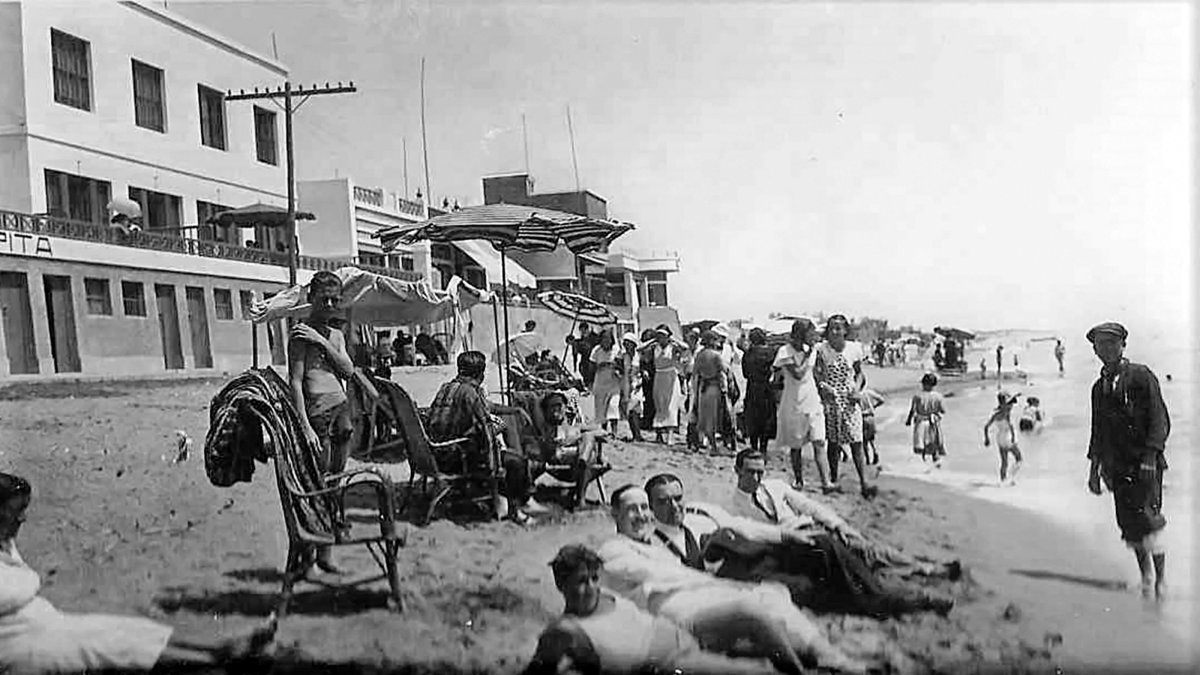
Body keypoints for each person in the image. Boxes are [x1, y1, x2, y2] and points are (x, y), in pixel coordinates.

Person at [0, 473, 277, 674]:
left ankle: (216, 653)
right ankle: (215, 661)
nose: (23, 519)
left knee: (127, 631)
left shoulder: (5, 543)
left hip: (42, 623)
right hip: (20, 642)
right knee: (106, 647)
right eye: (16, 512)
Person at [597, 486, 867, 674]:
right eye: (632, 509)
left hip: (691, 602)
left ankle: (823, 653)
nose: (642, 515)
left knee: (772, 593)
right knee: (749, 608)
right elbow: (654, 574)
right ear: (615, 515)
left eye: (644, 508)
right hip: (666, 619)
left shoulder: (654, 543)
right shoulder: (613, 547)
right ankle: (797, 667)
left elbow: (740, 527)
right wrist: (720, 584)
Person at [523, 545, 779, 675]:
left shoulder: (607, 595)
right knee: (757, 671)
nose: (591, 587)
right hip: (673, 664)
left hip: (687, 635)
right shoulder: (565, 630)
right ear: (560, 584)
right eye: (581, 581)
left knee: (755, 620)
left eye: (593, 578)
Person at [722, 451, 960, 583]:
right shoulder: (734, 506)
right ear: (738, 471)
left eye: (759, 472)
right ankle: (922, 570)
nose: (756, 478)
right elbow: (757, 538)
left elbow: (810, 506)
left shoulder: (775, 486)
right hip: (794, 546)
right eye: (750, 472)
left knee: (866, 548)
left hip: (814, 529)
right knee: (861, 560)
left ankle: (926, 569)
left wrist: (839, 525)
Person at [1085, 322, 1171, 599]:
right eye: (1100, 344)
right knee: (1128, 524)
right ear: (1095, 350)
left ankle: (1161, 580)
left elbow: (1160, 419)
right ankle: (1145, 575)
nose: (1106, 348)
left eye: (1112, 343)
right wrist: (1094, 469)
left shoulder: (1140, 376)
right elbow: (1097, 430)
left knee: (1149, 518)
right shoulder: (1098, 387)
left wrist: (1150, 455)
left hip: (1144, 464)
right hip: (1115, 466)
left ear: (1123, 345)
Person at [426, 351, 547, 523]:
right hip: (456, 459)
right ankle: (517, 509)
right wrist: (494, 468)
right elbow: (487, 432)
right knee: (517, 462)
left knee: (504, 451)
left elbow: (485, 405)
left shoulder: (447, 388)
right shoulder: (470, 393)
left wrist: (514, 410)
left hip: (435, 454)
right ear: (481, 375)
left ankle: (505, 501)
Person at [287, 270, 356, 574]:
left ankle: (325, 555)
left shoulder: (335, 335)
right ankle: (308, 558)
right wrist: (303, 425)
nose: (329, 304)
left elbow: (348, 371)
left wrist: (322, 340)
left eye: (334, 299)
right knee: (316, 485)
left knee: (335, 484)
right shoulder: (299, 334)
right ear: (311, 298)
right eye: (324, 299)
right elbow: (295, 381)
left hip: (341, 411)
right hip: (316, 415)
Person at [813, 315, 875, 498]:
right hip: (831, 400)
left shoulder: (854, 349)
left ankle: (864, 482)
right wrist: (823, 387)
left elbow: (860, 374)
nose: (835, 332)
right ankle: (833, 480)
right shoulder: (821, 350)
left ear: (846, 330)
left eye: (839, 328)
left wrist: (857, 388)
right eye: (832, 328)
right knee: (833, 443)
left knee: (857, 441)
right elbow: (816, 374)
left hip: (850, 399)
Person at [774, 319, 832, 491]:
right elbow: (798, 373)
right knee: (796, 445)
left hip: (812, 398)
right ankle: (799, 480)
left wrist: (825, 388)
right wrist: (809, 354)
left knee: (819, 441)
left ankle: (825, 482)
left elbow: (817, 373)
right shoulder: (785, 351)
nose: (814, 337)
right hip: (794, 402)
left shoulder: (812, 351)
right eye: (810, 334)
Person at [526, 391, 609, 508]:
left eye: (559, 406)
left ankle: (583, 460)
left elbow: (603, 432)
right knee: (588, 446)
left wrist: (578, 437)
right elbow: (535, 401)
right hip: (556, 462)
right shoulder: (544, 427)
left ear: (565, 408)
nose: (556, 409)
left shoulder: (576, 428)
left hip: (575, 462)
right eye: (552, 406)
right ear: (546, 410)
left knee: (588, 438)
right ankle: (580, 498)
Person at [688, 330, 732, 455]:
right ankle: (713, 446)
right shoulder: (715, 355)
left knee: (703, 416)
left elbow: (695, 372)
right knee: (713, 418)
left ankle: (699, 442)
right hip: (714, 387)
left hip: (702, 388)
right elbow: (724, 369)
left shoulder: (700, 355)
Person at [644, 327, 686, 445]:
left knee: (671, 405)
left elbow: (685, 347)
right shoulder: (654, 347)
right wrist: (652, 340)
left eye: (663, 336)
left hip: (671, 376)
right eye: (659, 336)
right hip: (659, 376)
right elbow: (640, 348)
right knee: (659, 404)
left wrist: (672, 339)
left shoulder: (672, 347)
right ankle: (659, 434)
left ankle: (670, 435)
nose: (661, 338)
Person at [740, 328, 778, 453]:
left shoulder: (748, 354)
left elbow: (745, 374)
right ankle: (763, 448)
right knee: (766, 418)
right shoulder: (771, 352)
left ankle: (753, 446)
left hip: (752, 388)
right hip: (766, 388)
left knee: (753, 418)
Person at [984, 391, 1023, 486]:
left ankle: (1002, 481)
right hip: (1008, 437)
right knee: (1019, 458)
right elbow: (1011, 425)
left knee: (1004, 462)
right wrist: (1014, 437)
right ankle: (1011, 477)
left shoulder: (996, 414)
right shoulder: (1007, 412)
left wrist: (987, 439)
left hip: (1000, 438)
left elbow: (986, 427)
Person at [905, 372, 946, 465]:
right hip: (933, 422)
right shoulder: (938, 396)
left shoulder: (917, 396)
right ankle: (936, 464)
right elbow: (943, 410)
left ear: (924, 384)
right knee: (934, 443)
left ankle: (924, 464)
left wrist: (908, 420)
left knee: (921, 445)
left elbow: (912, 410)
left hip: (921, 421)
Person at [589, 331, 623, 434]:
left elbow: (621, 366)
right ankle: (603, 430)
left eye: (608, 338)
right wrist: (599, 366)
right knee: (601, 407)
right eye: (604, 338)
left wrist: (615, 366)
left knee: (613, 405)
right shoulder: (596, 350)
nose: (606, 341)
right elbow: (591, 367)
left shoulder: (616, 350)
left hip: (613, 382)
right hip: (600, 382)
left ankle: (614, 431)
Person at [618, 332, 645, 442]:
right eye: (625, 343)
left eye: (628, 343)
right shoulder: (623, 356)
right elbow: (618, 368)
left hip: (637, 384)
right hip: (626, 383)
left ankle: (637, 433)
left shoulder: (638, 356)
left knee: (636, 409)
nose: (626, 345)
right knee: (629, 409)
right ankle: (635, 433)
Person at [858, 387, 886, 465]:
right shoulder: (869, 392)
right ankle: (875, 453)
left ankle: (867, 459)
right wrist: (874, 406)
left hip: (862, 417)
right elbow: (881, 400)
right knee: (872, 439)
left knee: (864, 441)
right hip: (871, 417)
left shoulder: (857, 394)